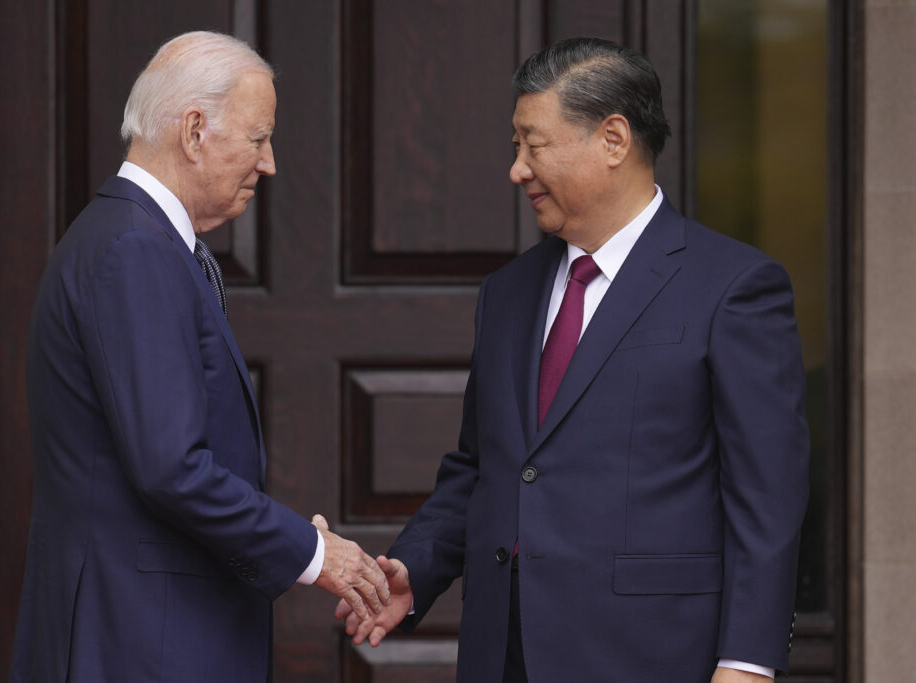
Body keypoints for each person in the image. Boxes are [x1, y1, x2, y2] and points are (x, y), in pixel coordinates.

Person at [336, 38, 809, 683]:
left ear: (613, 139)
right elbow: (482, 468)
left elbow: (767, 499)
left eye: (534, 144)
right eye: (515, 146)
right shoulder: (506, 293)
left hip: (654, 656)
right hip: (504, 655)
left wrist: (748, 663)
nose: (517, 169)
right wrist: (414, 570)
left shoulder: (733, 287)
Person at [9, 31, 388, 683]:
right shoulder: (137, 250)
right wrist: (314, 551)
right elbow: (171, 468)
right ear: (193, 131)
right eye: (258, 137)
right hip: (139, 639)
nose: (268, 163)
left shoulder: (129, 236)